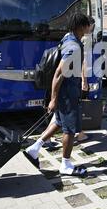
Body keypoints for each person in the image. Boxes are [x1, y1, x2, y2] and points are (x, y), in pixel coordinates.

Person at [23, 13, 91, 176]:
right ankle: (66, 165)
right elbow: (59, 74)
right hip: (67, 93)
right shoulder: (73, 46)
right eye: (89, 25)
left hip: (65, 91)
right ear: (82, 26)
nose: (91, 27)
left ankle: (34, 148)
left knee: (59, 122)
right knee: (70, 129)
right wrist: (53, 99)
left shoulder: (68, 38)